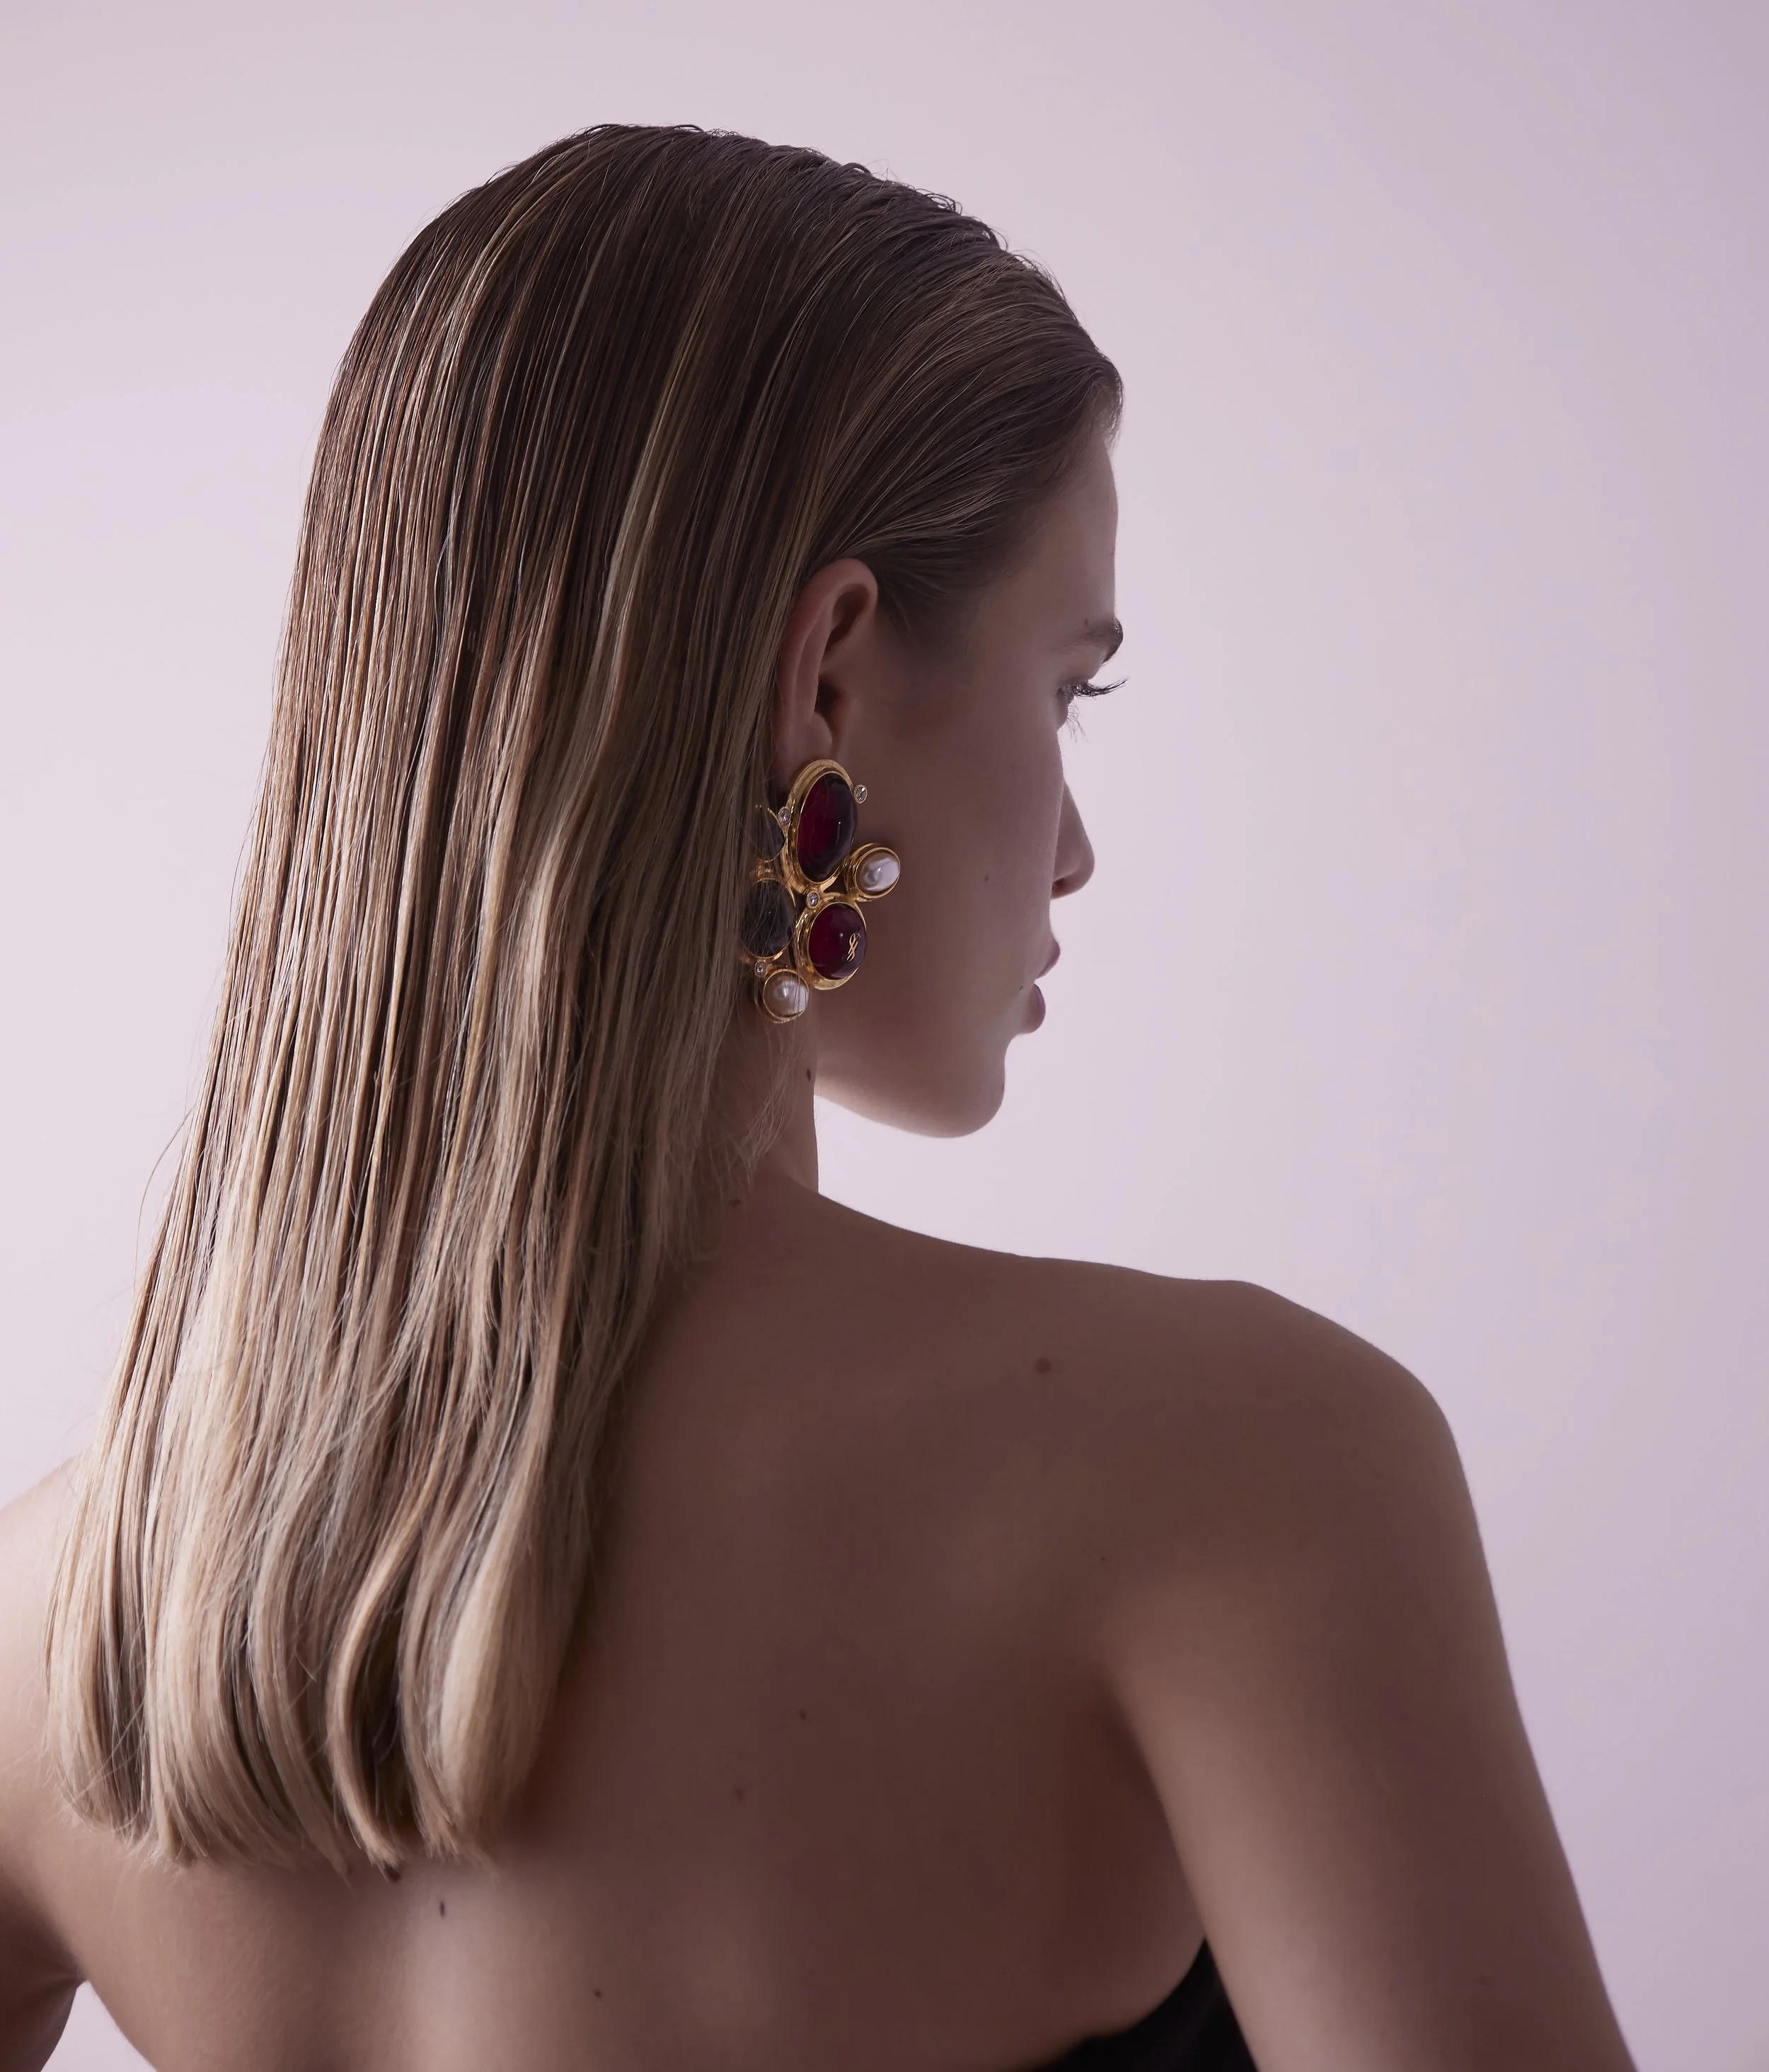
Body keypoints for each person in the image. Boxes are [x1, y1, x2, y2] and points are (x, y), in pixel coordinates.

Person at [0, 125, 1637, 2072]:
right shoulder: (1234, 1473)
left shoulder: (70, 1612)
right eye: (1067, 686)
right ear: (829, 684)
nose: (1077, 848)